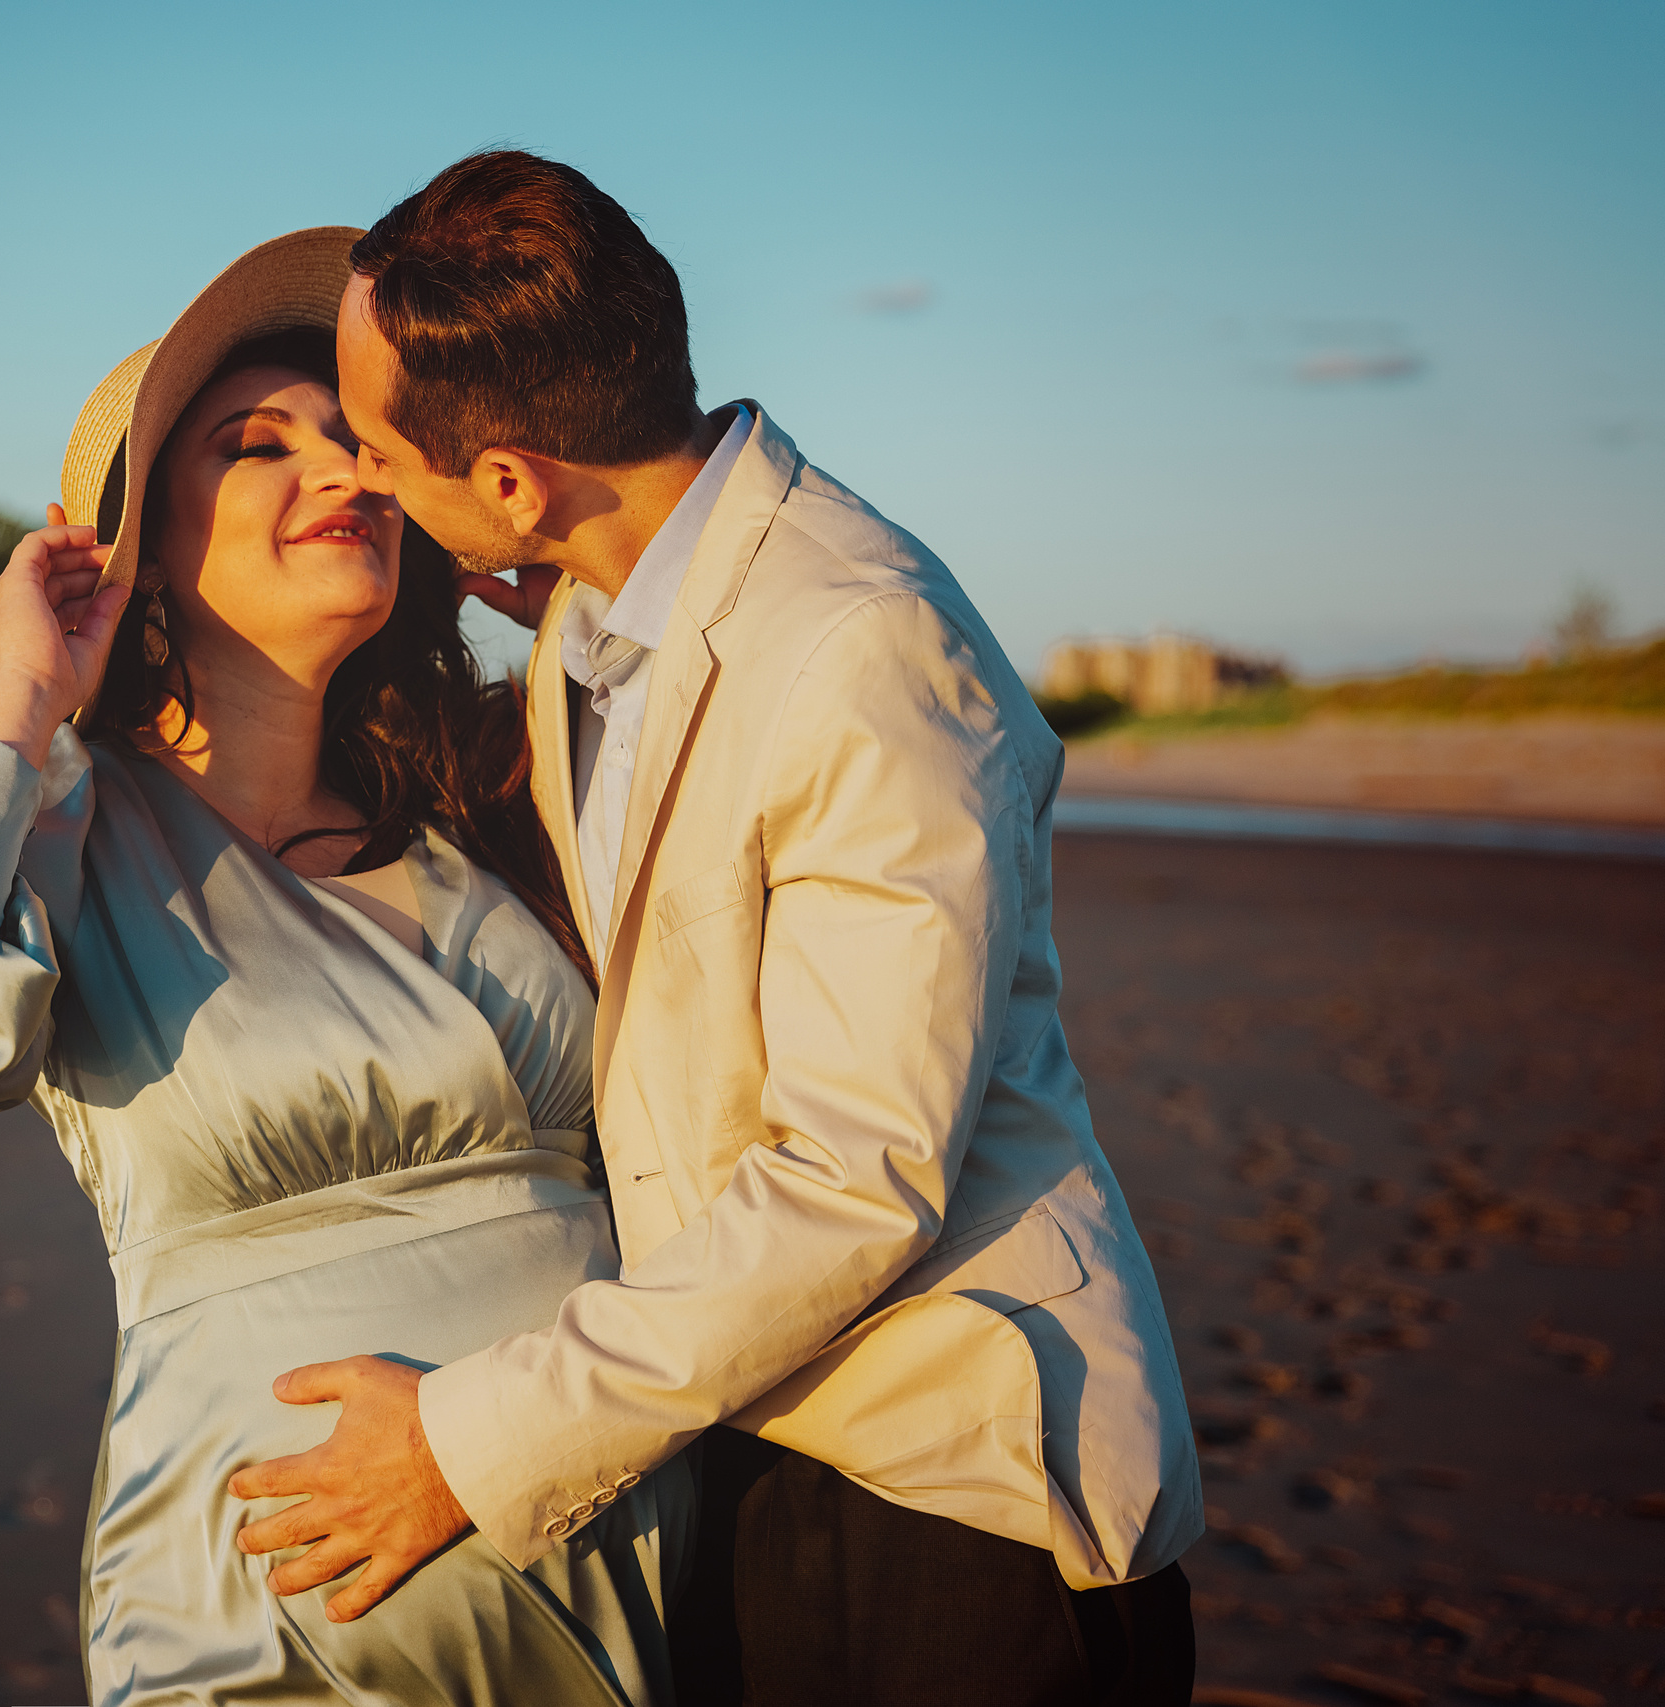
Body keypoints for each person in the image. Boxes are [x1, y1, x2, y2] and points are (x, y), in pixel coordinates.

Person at [231, 153, 1206, 1704]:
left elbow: (854, 1179)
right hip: (735, 1438)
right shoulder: (598, 609)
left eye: (381, 446)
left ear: (510, 480)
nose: (364, 474)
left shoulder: (863, 646)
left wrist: (463, 1449)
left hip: (948, 1486)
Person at [0, 228, 689, 1707]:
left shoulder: (481, 812)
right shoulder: (70, 829)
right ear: (137, 560)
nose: (341, 472)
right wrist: (21, 692)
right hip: (278, 1624)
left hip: (611, 1585)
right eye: (259, 447)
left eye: (356, 443)